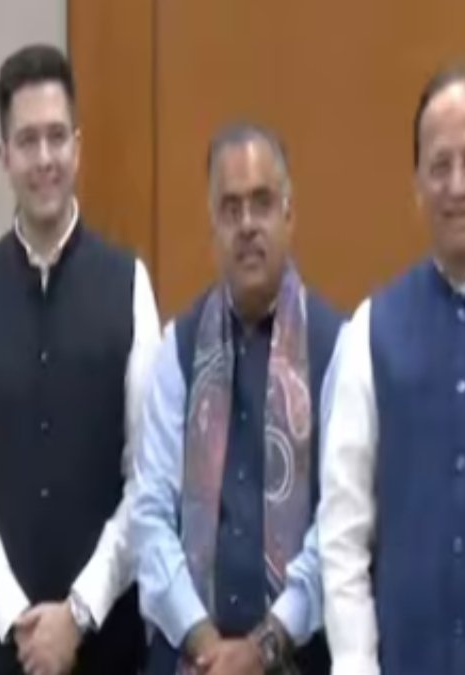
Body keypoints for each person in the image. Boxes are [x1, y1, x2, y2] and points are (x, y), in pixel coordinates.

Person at [0, 43, 161, 675]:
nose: (44, 159)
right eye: (27, 141)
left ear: (78, 148)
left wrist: (78, 613)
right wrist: (19, 617)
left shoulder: (130, 286)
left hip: (109, 648)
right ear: (3, 157)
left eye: (56, 137)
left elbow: (149, 479)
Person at [131, 122, 340, 675]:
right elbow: (149, 515)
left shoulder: (336, 348)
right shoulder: (177, 349)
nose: (247, 225)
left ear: (289, 216)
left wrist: (260, 648)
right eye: (230, 209)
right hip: (191, 660)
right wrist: (207, 647)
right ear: (213, 229)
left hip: (301, 658)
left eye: (262, 203)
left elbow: (340, 526)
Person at [318, 69, 465, 675]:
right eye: (440, 166)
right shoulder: (371, 332)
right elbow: (343, 537)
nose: (459, 185)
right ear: (416, 187)